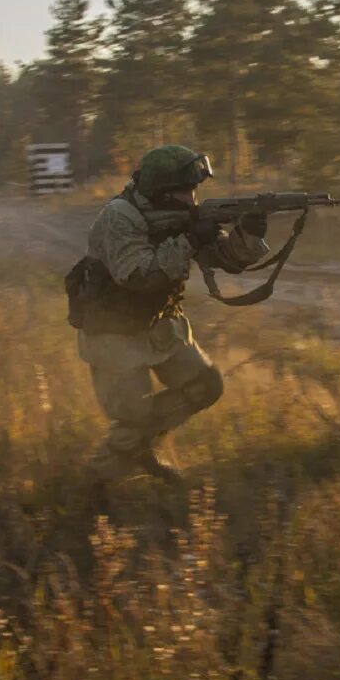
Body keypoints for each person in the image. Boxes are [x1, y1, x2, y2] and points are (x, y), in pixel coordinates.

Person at [75, 145, 268, 484]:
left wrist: (249, 236)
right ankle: (95, 484)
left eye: (195, 190)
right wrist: (190, 240)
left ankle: (136, 447)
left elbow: (227, 259)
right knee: (133, 417)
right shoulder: (119, 216)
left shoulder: (182, 216)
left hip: (159, 325)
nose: (193, 200)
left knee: (205, 385)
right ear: (162, 190)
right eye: (185, 191)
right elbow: (137, 275)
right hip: (113, 333)